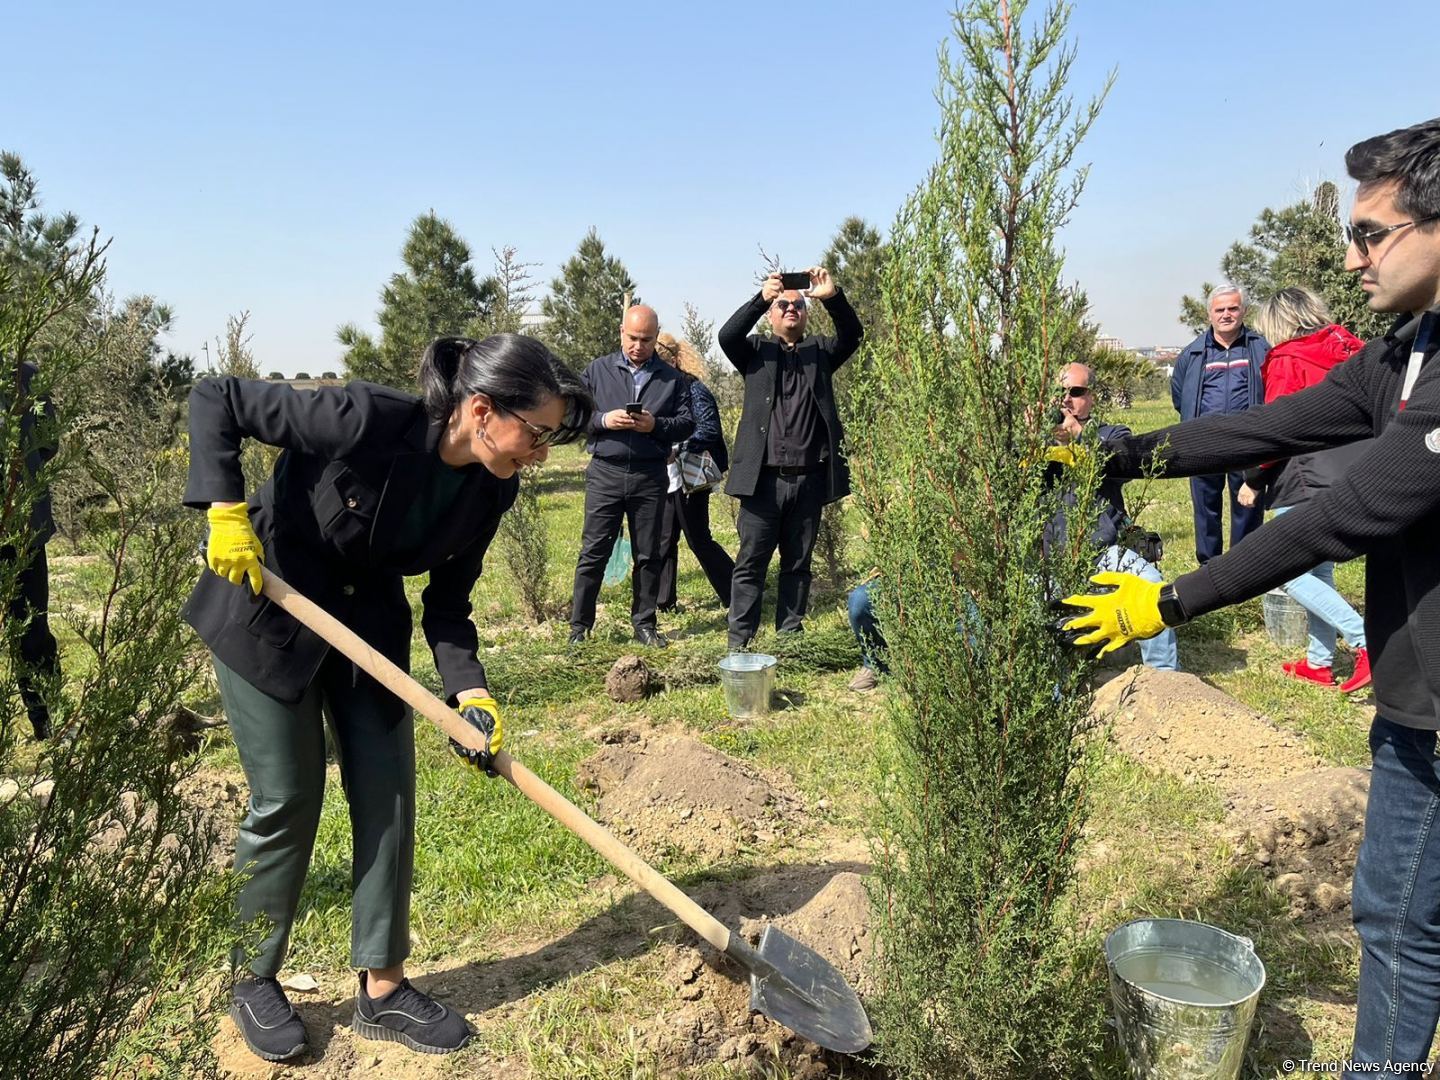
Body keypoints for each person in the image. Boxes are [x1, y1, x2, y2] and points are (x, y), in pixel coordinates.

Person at [1059, 117, 1440, 1072]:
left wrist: (1169, 603)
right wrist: (1131, 453)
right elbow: (1282, 421)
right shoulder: (1406, 347)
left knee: (1398, 919)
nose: (1352, 257)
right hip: (1415, 686)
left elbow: (1340, 518)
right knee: (1401, 914)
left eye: (1371, 233)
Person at [183, 335, 591, 1063]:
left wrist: (473, 693)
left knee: (388, 789)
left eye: (551, 439)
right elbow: (219, 397)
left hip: (365, 626)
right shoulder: (366, 417)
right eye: (537, 434)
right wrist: (223, 509)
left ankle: (383, 986)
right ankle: (252, 975)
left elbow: (449, 605)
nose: (542, 453)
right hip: (266, 608)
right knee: (288, 794)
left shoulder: (490, 489)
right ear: (481, 410)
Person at [844, 362, 1177, 692]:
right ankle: (1053, 695)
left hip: (1103, 553)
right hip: (1044, 561)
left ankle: (1166, 683)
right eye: (1058, 393)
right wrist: (1030, 439)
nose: (1066, 401)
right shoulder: (1030, 443)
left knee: (1152, 585)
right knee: (1028, 619)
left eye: (1075, 392)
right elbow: (1001, 483)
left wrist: (1079, 436)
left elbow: (1127, 460)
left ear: (1091, 396)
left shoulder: (1111, 435)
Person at [720, 267, 862, 651]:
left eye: (797, 305)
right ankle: (740, 643)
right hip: (762, 482)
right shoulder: (754, 354)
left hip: (809, 480)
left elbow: (852, 335)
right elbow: (727, 335)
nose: (790, 309)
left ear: (806, 313)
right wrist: (760, 297)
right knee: (751, 564)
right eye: (783, 304)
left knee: (797, 565)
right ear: (772, 314)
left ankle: (789, 638)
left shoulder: (820, 353)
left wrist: (831, 296)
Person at [1237, 286, 1371, 692]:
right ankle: (1319, 662)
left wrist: (1253, 478)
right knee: (1319, 570)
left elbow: (1279, 428)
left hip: (1304, 476)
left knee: (1289, 570)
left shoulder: (1288, 360)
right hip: (1351, 470)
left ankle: (1366, 640)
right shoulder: (1349, 348)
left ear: (1280, 324)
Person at [569, 306, 694, 648]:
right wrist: (603, 420)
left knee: (649, 554)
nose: (638, 346)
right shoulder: (596, 371)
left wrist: (657, 426)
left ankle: (644, 623)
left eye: (647, 340)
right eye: (633, 338)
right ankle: (579, 628)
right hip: (605, 473)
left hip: (649, 476)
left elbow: (687, 423)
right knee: (593, 553)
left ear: (656, 338)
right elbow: (573, 414)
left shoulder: (672, 379)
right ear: (621, 332)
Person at [1170, 285, 1270, 563]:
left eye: (1232, 308)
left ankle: (1244, 566)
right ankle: (1209, 566)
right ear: (1209, 314)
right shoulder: (1192, 354)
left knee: (1248, 504)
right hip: (1204, 442)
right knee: (1205, 507)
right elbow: (1180, 395)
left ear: (1243, 311)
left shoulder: (1260, 348)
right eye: (1220, 309)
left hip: (1247, 441)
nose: (1226, 314)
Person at [653, 332, 734, 611]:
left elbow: (709, 430)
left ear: (674, 362)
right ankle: (664, 602)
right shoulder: (659, 392)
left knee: (698, 539)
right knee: (664, 540)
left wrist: (679, 447)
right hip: (666, 478)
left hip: (690, 476)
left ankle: (737, 590)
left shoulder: (694, 389)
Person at [2, 359, 60, 740]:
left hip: (23, 526)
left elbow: (48, 442)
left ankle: (45, 721)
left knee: (32, 628)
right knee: (31, 628)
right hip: (24, 523)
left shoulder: (25, 374)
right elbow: (48, 442)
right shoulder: (22, 373)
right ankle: (45, 722)